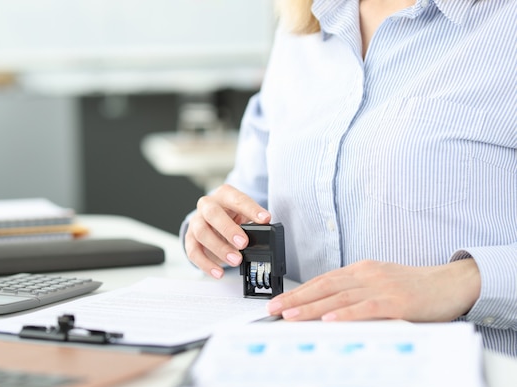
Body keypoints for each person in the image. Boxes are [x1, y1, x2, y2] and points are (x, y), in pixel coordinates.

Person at [181, 0, 516, 356]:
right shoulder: (302, 26)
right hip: (297, 365)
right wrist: (213, 233)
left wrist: (460, 283)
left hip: (469, 375)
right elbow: (250, 193)